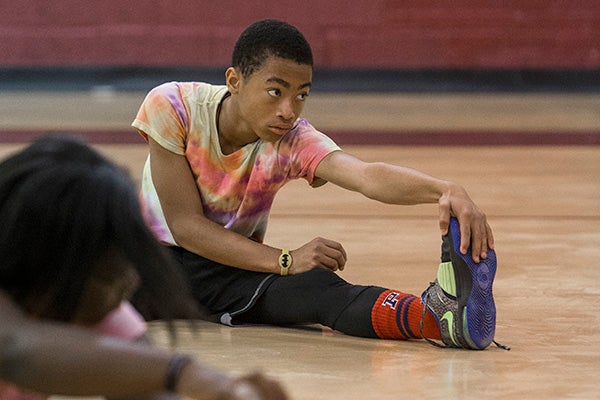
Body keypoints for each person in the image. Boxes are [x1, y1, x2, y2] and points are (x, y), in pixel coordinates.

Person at [132, 19, 507, 351]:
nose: (289, 110)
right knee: (85, 285)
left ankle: (438, 319)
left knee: (318, 288)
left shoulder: (292, 139)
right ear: (235, 80)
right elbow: (186, 227)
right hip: (146, 263)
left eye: (302, 95)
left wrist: (445, 189)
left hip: (229, 268)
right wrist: (286, 259)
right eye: (275, 91)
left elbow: (365, 175)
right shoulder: (173, 106)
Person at [0, 135, 288, 400]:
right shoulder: (24, 331)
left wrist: (230, 392)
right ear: (46, 266)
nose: (131, 283)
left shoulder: (92, 307)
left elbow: (148, 389)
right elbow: (15, 350)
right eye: (108, 277)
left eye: (129, 266)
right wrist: (184, 373)